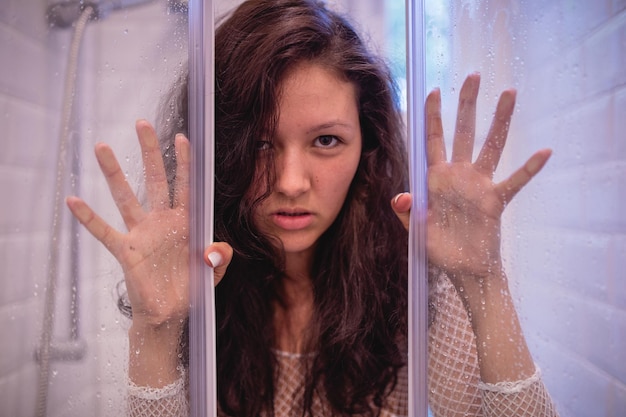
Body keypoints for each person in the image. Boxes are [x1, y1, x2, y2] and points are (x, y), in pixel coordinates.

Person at [66, 0, 559, 416]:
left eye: (326, 140)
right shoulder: (188, 285)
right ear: (220, 150)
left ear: (367, 146)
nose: (291, 182)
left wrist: (484, 283)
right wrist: (156, 328)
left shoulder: (412, 288)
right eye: (260, 144)